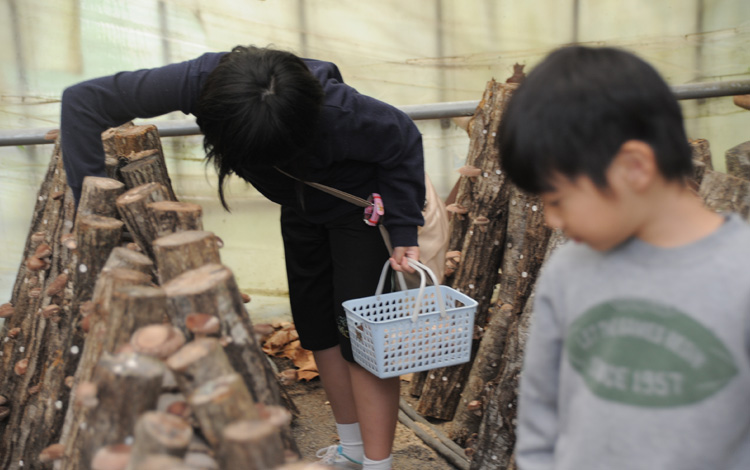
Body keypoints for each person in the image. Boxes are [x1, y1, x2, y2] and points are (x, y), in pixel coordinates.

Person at [61, 45, 426, 470]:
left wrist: (402, 227)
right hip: (299, 208)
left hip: (360, 210)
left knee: (362, 339)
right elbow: (83, 101)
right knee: (317, 328)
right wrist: (92, 207)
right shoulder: (197, 82)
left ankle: (378, 464)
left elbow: (402, 138)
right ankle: (351, 450)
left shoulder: (344, 111)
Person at [498, 45, 750, 469]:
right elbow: (541, 408)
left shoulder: (740, 275)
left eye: (556, 198)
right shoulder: (567, 271)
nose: (551, 220)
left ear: (634, 167)